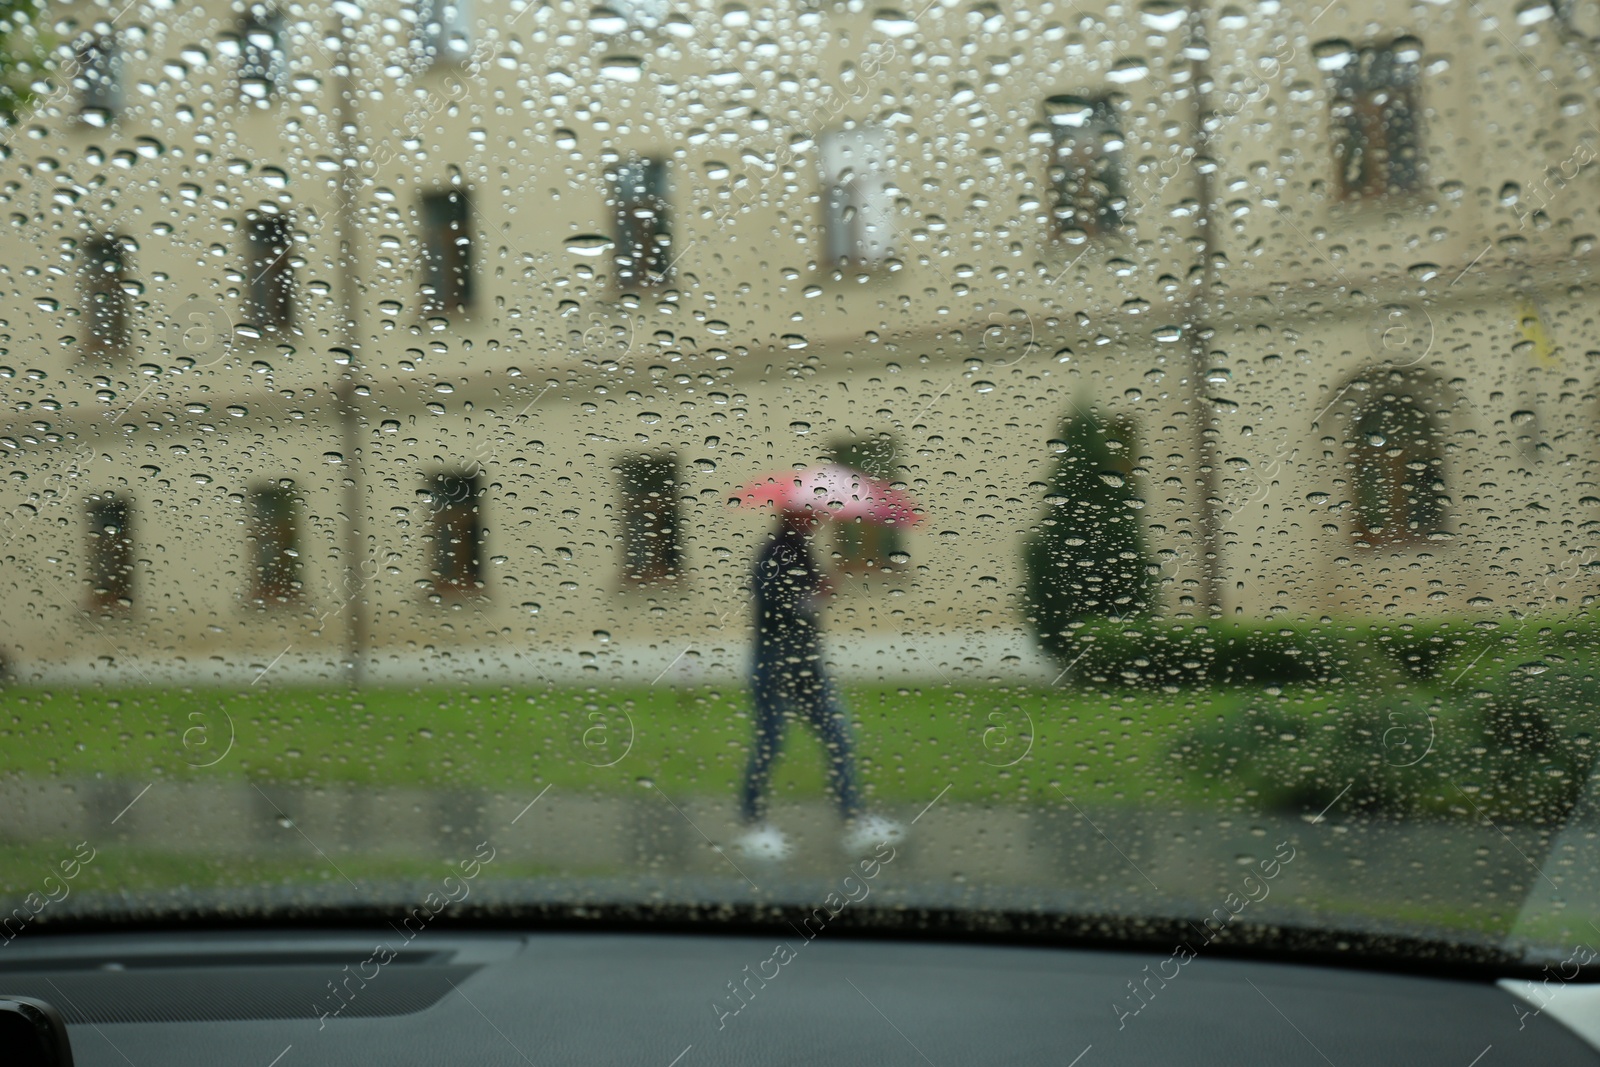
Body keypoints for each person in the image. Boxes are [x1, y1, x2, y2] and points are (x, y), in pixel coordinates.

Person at [736, 507, 904, 861]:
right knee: (770, 743)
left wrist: (821, 589)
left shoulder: (802, 548)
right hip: (774, 661)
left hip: (807, 663)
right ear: (791, 515)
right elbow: (771, 602)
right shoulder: (774, 551)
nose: (817, 519)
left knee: (838, 736)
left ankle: (853, 820)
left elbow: (805, 599)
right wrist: (813, 597)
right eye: (809, 514)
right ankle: (752, 825)